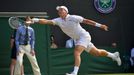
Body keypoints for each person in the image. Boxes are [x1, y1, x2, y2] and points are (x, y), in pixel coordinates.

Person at [31, 6, 121, 75]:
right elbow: (46, 21)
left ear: (66, 11)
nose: (59, 11)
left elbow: (87, 21)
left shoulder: (74, 17)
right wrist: (34, 20)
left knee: (77, 52)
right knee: (96, 53)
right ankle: (113, 55)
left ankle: (74, 73)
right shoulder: (58, 20)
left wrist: (100, 25)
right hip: (79, 39)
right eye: (59, 11)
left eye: (61, 10)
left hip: (84, 36)